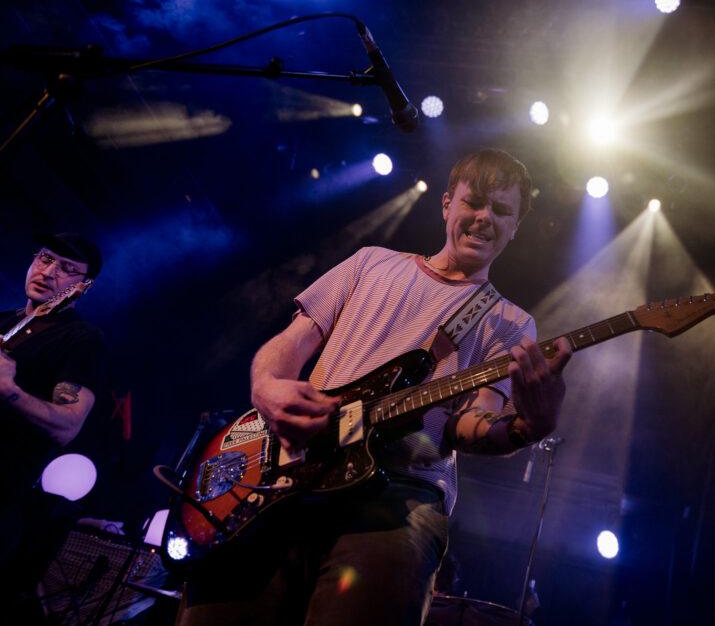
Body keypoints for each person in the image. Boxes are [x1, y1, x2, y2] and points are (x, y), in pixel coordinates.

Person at [177, 149, 572, 626]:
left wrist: (531, 425)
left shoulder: (511, 322)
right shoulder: (371, 263)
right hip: (288, 473)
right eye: (475, 202)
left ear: (515, 227)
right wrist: (266, 387)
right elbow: (292, 343)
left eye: (502, 210)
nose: (485, 217)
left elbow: (469, 424)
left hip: (399, 496)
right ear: (447, 204)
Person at [0, 232, 106, 593]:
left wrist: (10, 391)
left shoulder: (81, 339)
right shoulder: (4, 321)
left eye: (67, 268)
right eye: (45, 258)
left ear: (84, 286)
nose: (47, 272)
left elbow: (68, 425)